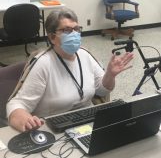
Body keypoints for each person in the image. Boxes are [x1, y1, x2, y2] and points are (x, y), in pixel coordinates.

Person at [6, 8, 134, 132]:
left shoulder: (85, 55)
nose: (74, 34)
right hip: (54, 128)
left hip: (87, 123)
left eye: (76, 29)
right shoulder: (43, 64)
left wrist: (110, 75)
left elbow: (102, 91)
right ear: (52, 37)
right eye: (67, 30)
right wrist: (26, 120)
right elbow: (16, 104)